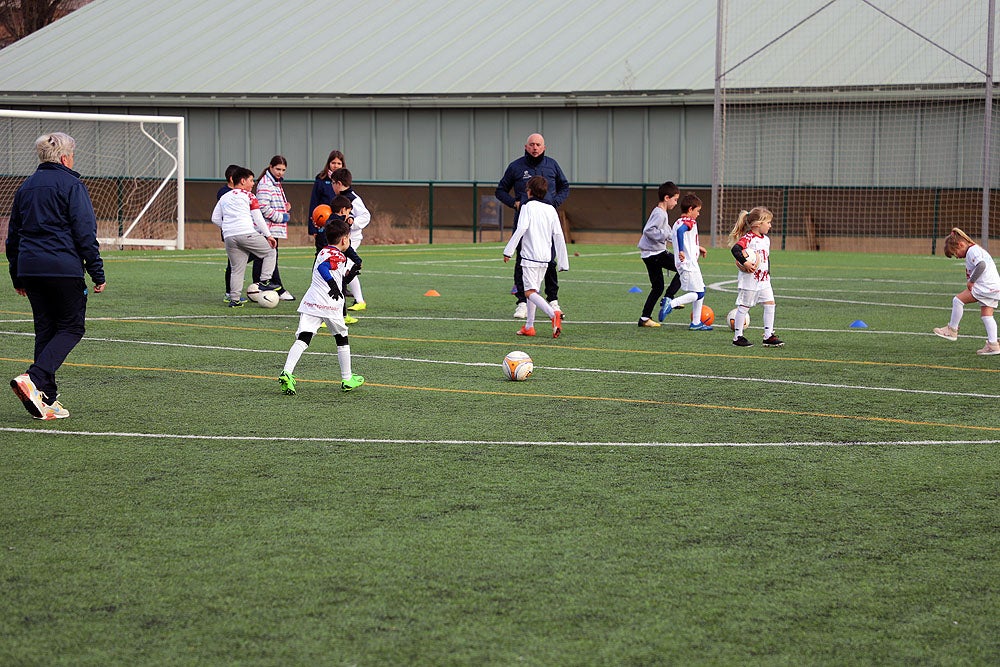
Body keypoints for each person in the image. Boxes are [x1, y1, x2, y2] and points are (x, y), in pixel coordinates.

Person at [6, 131, 106, 420]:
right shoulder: (72, 184)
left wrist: (17, 275)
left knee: (46, 330)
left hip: (30, 267)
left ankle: (45, 399)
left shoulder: (25, 187)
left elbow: (12, 237)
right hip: (62, 267)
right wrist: (96, 271)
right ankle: (34, 378)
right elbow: (85, 232)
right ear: (65, 157)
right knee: (72, 327)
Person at [278, 217, 365, 395]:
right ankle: (347, 378)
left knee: (303, 338)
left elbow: (334, 275)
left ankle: (287, 372)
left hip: (312, 301)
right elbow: (324, 269)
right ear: (344, 239)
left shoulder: (324, 251)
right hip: (329, 303)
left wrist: (349, 276)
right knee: (342, 337)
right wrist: (333, 286)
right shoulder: (338, 256)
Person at [496, 133, 570, 319]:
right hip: (525, 220)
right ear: (526, 146)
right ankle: (522, 302)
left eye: (538, 144)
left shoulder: (552, 165)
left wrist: (555, 202)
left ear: (544, 147)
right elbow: (500, 190)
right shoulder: (516, 166)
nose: (535, 147)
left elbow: (565, 187)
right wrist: (514, 203)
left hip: (547, 220)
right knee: (522, 260)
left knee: (549, 260)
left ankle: (552, 300)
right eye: (532, 144)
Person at [503, 176, 569, 338]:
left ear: (529, 191)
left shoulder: (527, 207)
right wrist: (563, 262)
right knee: (534, 290)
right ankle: (529, 326)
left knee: (528, 292)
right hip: (545, 258)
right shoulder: (551, 209)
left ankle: (553, 315)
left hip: (529, 257)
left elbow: (521, 228)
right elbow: (559, 235)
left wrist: (508, 250)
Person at [211, 166, 279, 307]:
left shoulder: (224, 197)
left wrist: (227, 228)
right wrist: (269, 235)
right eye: (251, 180)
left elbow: (215, 218)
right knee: (271, 251)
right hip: (246, 232)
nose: (253, 183)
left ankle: (234, 300)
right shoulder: (249, 196)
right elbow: (258, 218)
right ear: (242, 181)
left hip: (229, 237)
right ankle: (265, 281)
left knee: (236, 269)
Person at [933, 227, 1000, 355]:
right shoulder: (975, 249)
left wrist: (972, 281)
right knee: (987, 315)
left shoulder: (972, 251)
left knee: (958, 300)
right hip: (994, 287)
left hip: (984, 287)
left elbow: (981, 265)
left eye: (955, 252)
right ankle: (993, 345)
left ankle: (952, 330)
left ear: (961, 244)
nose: (956, 256)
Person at [728, 207, 784, 347]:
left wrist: (768, 273)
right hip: (750, 280)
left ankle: (768, 335)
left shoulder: (766, 239)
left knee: (770, 304)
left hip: (764, 280)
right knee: (744, 306)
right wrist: (745, 262)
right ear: (758, 224)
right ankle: (738, 337)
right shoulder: (748, 238)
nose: (770, 225)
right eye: (768, 222)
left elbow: (766, 258)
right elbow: (735, 249)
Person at [658, 193, 713, 330]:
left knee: (701, 289)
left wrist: (697, 248)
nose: (698, 214)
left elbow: (682, 237)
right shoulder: (689, 221)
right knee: (698, 293)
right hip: (688, 264)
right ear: (690, 210)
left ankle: (695, 323)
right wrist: (682, 250)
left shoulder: (677, 222)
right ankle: (670, 303)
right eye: (697, 211)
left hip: (689, 263)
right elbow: (682, 232)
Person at [637, 181, 683, 327]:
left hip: (649, 254)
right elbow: (648, 231)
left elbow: (667, 232)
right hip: (655, 254)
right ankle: (669, 298)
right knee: (683, 267)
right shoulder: (660, 213)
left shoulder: (661, 213)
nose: (676, 203)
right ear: (666, 198)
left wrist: (674, 237)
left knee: (657, 287)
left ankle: (644, 319)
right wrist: (665, 235)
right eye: (675, 199)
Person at [331, 167, 370, 317]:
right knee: (345, 267)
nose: (332, 186)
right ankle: (358, 300)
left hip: (351, 238)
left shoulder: (353, 198)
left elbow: (366, 215)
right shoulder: (341, 197)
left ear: (339, 183)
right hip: (343, 238)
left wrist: (352, 222)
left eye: (333, 183)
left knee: (345, 267)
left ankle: (357, 301)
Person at [254, 155, 294, 301]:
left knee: (264, 257)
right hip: (267, 228)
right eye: (278, 169)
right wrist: (282, 217)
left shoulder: (275, 182)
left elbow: (272, 202)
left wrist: (285, 207)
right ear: (270, 167)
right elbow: (263, 207)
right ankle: (276, 287)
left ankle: (259, 287)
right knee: (268, 257)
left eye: (283, 170)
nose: (280, 172)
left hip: (272, 228)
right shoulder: (265, 183)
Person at [308, 150, 345, 254]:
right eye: (333, 163)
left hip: (339, 225)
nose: (336, 166)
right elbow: (314, 203)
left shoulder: (345, 182)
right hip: (323, 224)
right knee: (322, 253)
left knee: (338, 255)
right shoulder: (321, 179)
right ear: (329, 163)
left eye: (339, 163)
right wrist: (313, 228)